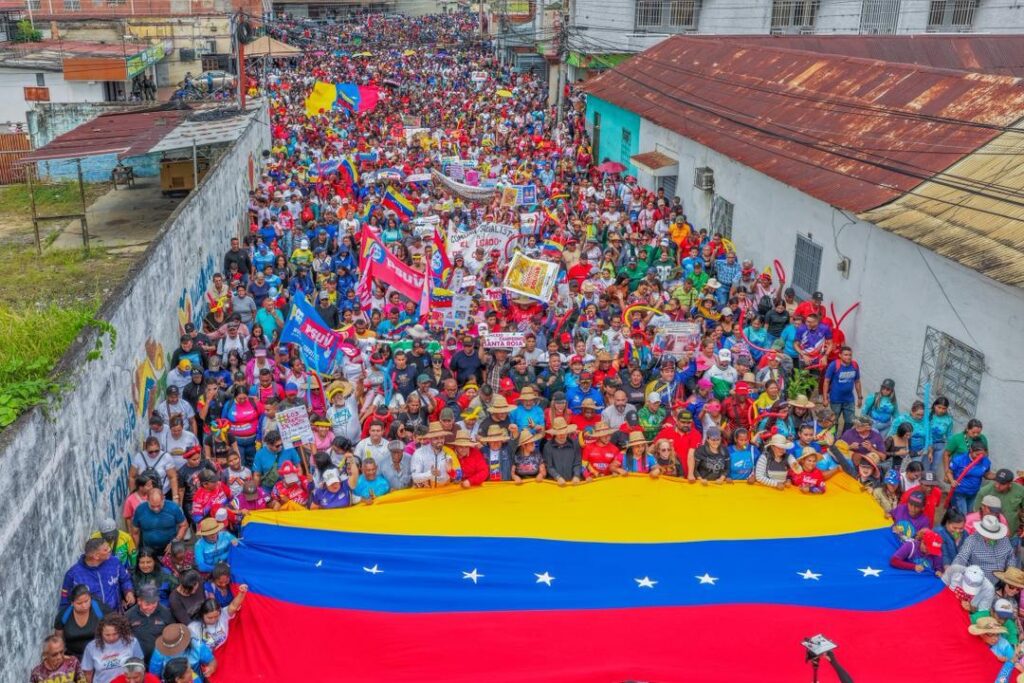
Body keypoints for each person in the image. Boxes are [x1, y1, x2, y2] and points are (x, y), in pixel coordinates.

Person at [61, 539, 135, 612]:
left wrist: (128, 592)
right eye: (105, 550)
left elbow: (125, 580)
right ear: (96, 556)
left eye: (109, 547)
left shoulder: (115, 562)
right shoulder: (73, 575)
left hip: (115, 614)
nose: (110, 550)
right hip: (92, 620)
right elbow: (65, 602)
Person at [953, 515, 1018, 585]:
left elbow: (1011, 556)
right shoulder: (972, 540)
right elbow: (961, 557)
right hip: (978, 584)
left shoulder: (1004, 540)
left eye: (994, 534)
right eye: (989, 535)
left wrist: (1010, 572)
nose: (992, 537)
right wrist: (954, 573)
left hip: (1001, 584)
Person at [80, 614, 144, 683]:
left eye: (115, 634)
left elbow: (140, 668)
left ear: (121, 630)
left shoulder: (131, 642)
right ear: (101, 632)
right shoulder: (91, 647)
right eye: (107, 635)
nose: (111, 638)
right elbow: (88, 673)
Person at [55, 585, 109, 661]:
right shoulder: (64, 616)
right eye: (79, 603)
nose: (84, 606)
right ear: (72, 603)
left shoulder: (100, 609)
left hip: (99, 655)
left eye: (87, 601)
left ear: (90, 598)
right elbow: (58, 641)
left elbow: (114, 627)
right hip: (73, 657)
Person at [124, 587, 173, 666]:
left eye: (154, 603)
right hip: (138, 660)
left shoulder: (166, 613)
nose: (150, 607)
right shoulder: (128, 615)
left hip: (160, 660)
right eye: (147, 604)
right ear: (139, 601)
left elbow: (171, 634)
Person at [188, 588, 248, 652]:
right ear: (202, 615)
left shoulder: (223, 615)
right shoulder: (193, 627)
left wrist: (241, 593)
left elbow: (234, 606)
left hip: (223, 653)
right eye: (210, 618)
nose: (213, 620)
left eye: (216, 616)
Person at [149, 624, 215, 682]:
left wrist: (211, 667)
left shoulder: (197, 645)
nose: (174, 651)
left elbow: (211, 660)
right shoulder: (159, 651)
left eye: (176, 648)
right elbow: (154, 676)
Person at [131, 491, 187, 558]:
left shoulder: (173, 508)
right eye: (152, 506)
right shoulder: (140, 510)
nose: (156, 509)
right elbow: (135, 532)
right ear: (147, 500)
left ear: (163, 499)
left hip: (170, 548)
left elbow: (184, 525)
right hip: (149, 549)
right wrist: (135, 549)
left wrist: (175, 541)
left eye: (159, 506)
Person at [975, 469, 1024, 539]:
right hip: (991, 535)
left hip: (1012, 534)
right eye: (996, 482)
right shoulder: (984, 491)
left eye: (1002, 484)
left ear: (1010, 484)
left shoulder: (1020, 490)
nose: (997, 486)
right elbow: (977, 513)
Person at [543, 418, 582, 485]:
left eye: (564, 432)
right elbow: (549, 466)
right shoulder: (548, 446)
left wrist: (576, 476)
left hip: (572, 482)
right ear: (555, 433)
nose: (562, 435)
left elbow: (577, 463)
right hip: (554, 483)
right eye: (559, 433)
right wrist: (557, 477)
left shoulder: (575, 444)